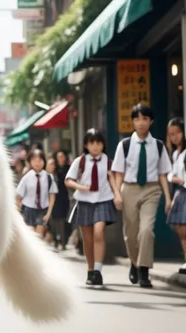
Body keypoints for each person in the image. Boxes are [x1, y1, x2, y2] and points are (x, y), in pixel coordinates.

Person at [112, 103, 172, 288]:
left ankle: (144, 270)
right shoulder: (125, 145)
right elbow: (118, 173)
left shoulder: (159, 146)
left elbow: (163, 174)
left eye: (144, 118)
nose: (140, 123)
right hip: (129, 189)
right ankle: (134, 262)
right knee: (130, 233)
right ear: (132, 121)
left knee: (146, 230)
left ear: (151, 121)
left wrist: (168, 198)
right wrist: (117, 194)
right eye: (137, 118)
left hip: (151, 190)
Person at [66, 129, 120, 286]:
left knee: (98, 232)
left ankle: (97, 270)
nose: (95, 146)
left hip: (103, 200)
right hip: (84, 201)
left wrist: (117, 195)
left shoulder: (109, 162)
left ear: (103, 144)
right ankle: (90, 270)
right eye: (92, 143)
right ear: (86, 145)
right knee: (88, 239)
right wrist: (81, 187)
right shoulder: (80, 161)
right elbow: (68, 180)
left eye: (98, 143)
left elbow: (112, 180)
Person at [16, 149, 58, 237]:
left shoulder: (49, 177)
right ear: (30, 162)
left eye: (40, 160)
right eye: (34, 160)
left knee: (39, 235)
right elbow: (18, 197)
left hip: (42, 209)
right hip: (28, 209)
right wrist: (22, 211)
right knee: (30, 236)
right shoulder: (26, 177)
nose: (37, 163)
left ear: (44, 161)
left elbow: (52, 195)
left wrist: (48, 213)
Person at [166, 118, 186, 274]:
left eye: (177, 133)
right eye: (171, 134)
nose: (174, 137)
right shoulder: (175, 154)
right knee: (181, 228)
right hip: (179, 192)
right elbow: (171, 174)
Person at [52, 150, 71, 250]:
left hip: (65, 196)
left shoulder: (69, 169)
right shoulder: (54, 170)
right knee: (55, 219)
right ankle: (56, 240)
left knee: (64, 219)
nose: (61, 159)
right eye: (59, 157)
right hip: (55, 197)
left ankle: (64, 242)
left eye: (62, 156)